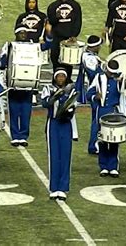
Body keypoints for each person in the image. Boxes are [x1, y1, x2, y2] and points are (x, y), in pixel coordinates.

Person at [0, 24, 52, 146]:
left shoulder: (34, 46)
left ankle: (23, 136)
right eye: (20, 32)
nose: (23, 34)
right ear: (16, 34)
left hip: (29, 83)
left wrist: (48, 33)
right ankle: (15, 136)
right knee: (14, 110)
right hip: (14, 83)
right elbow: (2, 61)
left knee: (26, 111)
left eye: (25, 32)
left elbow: (48, 45)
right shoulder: (9, 45)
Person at [41, 69, 77, 201]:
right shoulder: (48, 88)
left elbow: (73, 106)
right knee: (54, 155)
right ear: (55, 78)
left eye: (63, 76)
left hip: (66, 124)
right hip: (53, 123)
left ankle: (63, 188)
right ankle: (54, 187)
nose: (61, 78)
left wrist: (68, 109)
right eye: (58, 76)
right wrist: (56, 95)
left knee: (66, 155)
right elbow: (45, 103)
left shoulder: (71, 90)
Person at [86, 60, 126, 177]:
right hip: (102, 110)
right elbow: (89, 93)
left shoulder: (119, 78)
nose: (112, 74)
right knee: (102, 139)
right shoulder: (99, 77)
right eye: (110, 72)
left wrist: (122, 80)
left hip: (114, 111)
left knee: (114, 139)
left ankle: (113, 166)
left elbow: (123, 89)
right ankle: (103, 166)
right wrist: (95, 96)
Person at [76, 36, 104, 154]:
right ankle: (93, 145)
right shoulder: (90, 58)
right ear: (95, 46)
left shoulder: (88, 56)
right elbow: (94, 74)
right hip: (94, 91)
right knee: (97, 120)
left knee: (96, 119)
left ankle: (96, 143)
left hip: (93, 90)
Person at [47, 0, 82, 75]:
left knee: (68, 61)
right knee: (55, 59)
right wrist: (56, 17)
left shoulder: (75, 6)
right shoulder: (53, 6)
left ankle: (68, 81)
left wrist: (74, 35)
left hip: (69, 38)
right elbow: (50, 22)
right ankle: (56, 81)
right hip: (56, 37)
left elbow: (78, 22)